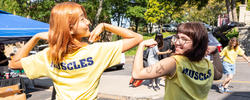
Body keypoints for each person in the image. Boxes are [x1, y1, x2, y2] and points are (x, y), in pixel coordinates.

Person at [9, 2, 143, 100]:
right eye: (82, 19)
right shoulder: (97, 51)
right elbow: (137, 38)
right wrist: (105, 26)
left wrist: (35, 38)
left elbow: (14, 64)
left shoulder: (49, 55)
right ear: (70, 29)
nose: (88, 22)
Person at [132, 22, 222, 100]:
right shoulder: (207, 65)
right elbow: (218, 75)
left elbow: (137, 74)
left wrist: (141, 45)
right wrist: (215, 52)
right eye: (178, 37)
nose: (177, 42)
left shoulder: (174, 63)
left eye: (184, 39)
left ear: (197, 44)